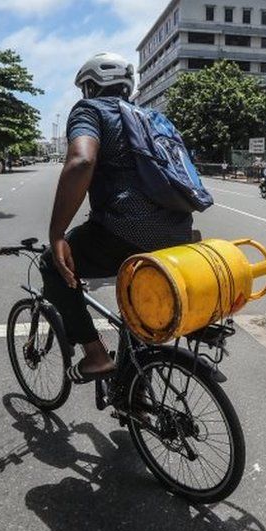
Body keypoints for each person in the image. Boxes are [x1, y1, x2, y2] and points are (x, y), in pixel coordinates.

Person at [40, 52, 195, 384]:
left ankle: (95, 356)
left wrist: (57, 233)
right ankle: (134, 393)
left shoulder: (90, 110)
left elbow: (81, 161)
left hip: (125, 229)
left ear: (91, 86)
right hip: (179, 230)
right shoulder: (151, 116)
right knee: (136, 303)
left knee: (52, 264)